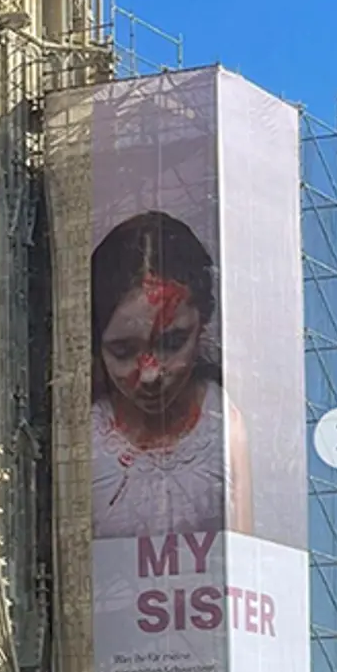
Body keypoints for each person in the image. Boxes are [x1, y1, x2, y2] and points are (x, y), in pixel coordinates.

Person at [91, 210, 253, 538]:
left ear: (203, 322)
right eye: (123, 351)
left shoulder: (224, 424)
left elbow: (245, 548)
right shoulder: (85, 437)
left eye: (172, 343)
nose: (150, 375)